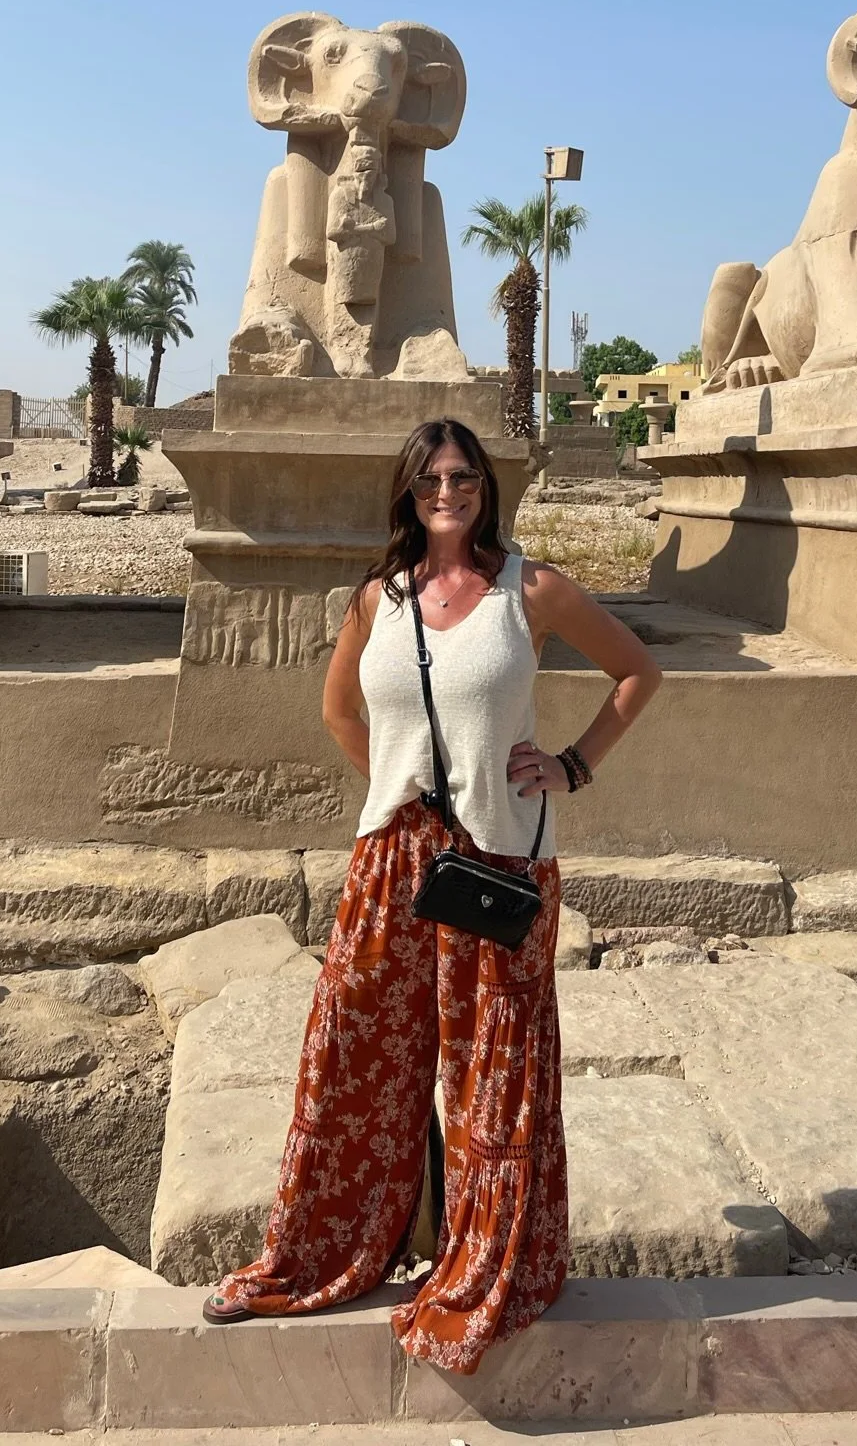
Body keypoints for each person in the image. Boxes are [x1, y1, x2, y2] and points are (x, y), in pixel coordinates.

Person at [204, 415, 661, 1374]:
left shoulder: (529, 590)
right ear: (407, 495)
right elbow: (337, 710)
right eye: (428, 481)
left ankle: (490, 1267)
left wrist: (572, 766)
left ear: (485, 486)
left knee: (493, 1082)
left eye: (462, 477)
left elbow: (638, 670)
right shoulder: (379, 598)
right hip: (392, 862)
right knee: (354, 1060)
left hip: (498, 863)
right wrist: (399, 785)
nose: (446, 493)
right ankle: (323, 1255)